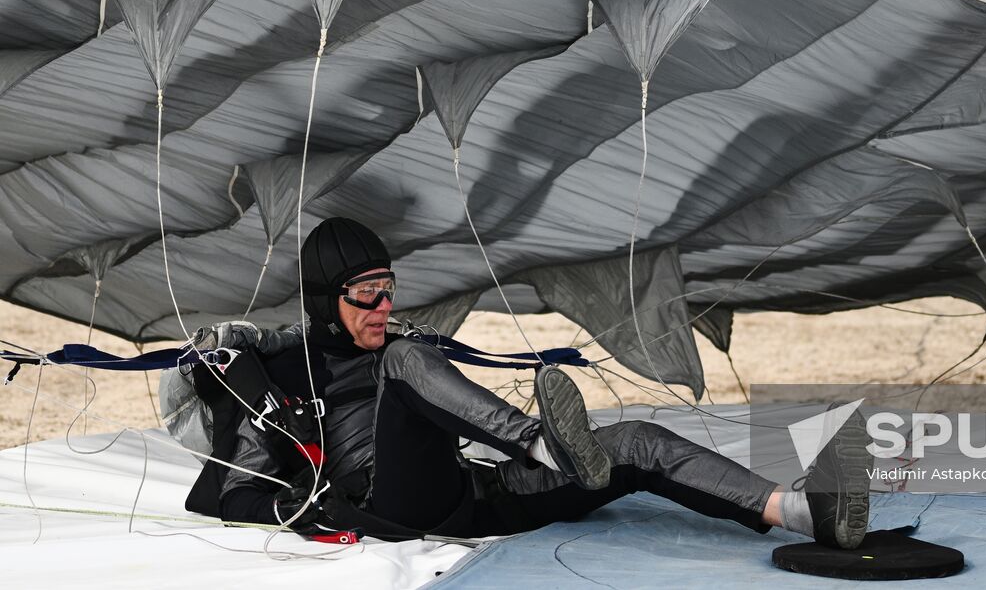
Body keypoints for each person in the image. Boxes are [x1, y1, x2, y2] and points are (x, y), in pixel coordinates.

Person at [215, 217, 869, 550]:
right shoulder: (276, 371)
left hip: (476, 491)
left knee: (636, 440)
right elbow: (234, 490)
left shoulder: (393, 338)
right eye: (366, 294)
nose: (383, 305)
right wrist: (298, 510)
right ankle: (545, 443)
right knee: (404, 362)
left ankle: (804, 511)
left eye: (389, 289)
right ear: (328, 300)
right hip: (386, 503)